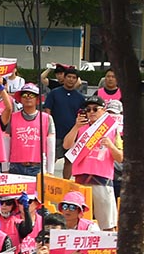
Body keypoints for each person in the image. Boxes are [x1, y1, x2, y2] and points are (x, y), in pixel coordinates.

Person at [64, 96, 121, 230]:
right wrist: (76, 126)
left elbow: (120, 157)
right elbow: (67, 145)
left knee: (107, 224)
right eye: (88, 109)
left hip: (102, 181)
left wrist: (111, 146)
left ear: (104, 110)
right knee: (78, 223)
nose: (91, 112)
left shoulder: (113, 129)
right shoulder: (81, 128)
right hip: (80, 180)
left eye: (95, 109)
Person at [8, 83, 55, 177]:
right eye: (25, 95)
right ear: (20, 99)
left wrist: (50, 171)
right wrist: (5, 168)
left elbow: (51, 145)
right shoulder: (12, 117)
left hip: (37, 167)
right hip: (15, 166)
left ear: (37, 99)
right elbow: (6, 142)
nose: (28, 98)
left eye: (32, 95)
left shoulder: (47, 118)